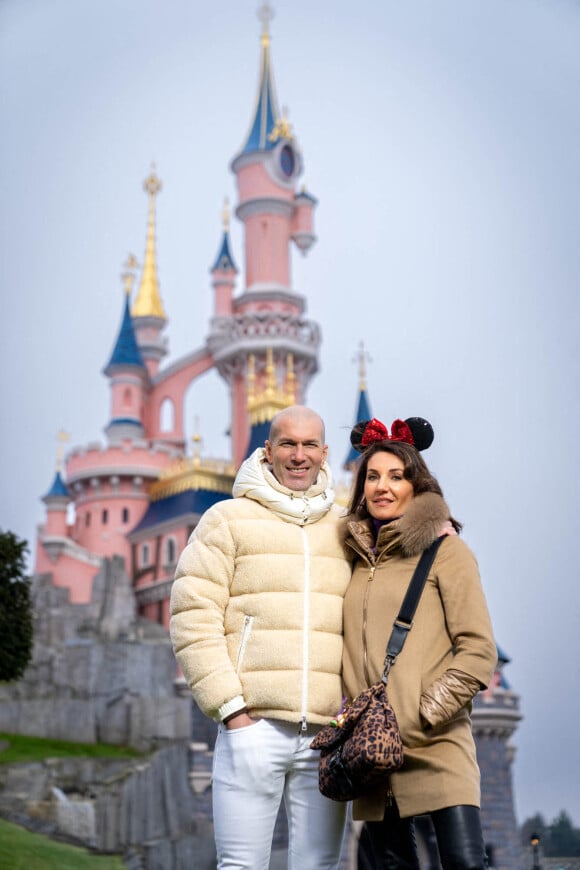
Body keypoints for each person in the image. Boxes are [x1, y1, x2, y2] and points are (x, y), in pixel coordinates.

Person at [170, 406, 351, 870]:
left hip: (327, 737)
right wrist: (232, 712)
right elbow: (193, 616)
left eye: (310, 445)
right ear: (267, 451)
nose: (298, 455)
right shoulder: (225, 520)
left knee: (319, 866)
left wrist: (440, 528)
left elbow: (400, 551)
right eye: (287, 444)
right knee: (241, 866)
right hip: (253, 728)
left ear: (325, 453)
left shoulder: (348, 524)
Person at [341, 416, 497, 870]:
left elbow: (478, 648)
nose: (382, 487)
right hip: (372, 753)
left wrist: (424, 713)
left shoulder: (447, 552)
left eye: (396, 476)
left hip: (436, 742)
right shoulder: (351, 561)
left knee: (465, 863)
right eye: (372, 476)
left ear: (418, 485)